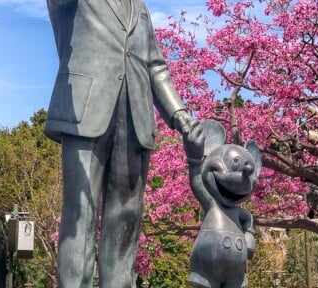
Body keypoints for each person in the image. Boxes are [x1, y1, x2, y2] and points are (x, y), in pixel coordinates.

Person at [44, 0, 194, 287]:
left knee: (125, 221)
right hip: (84, 112)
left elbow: (156, 66)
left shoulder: (139, 7)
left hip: (135, 118)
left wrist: (179, 115)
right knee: (80, 217)